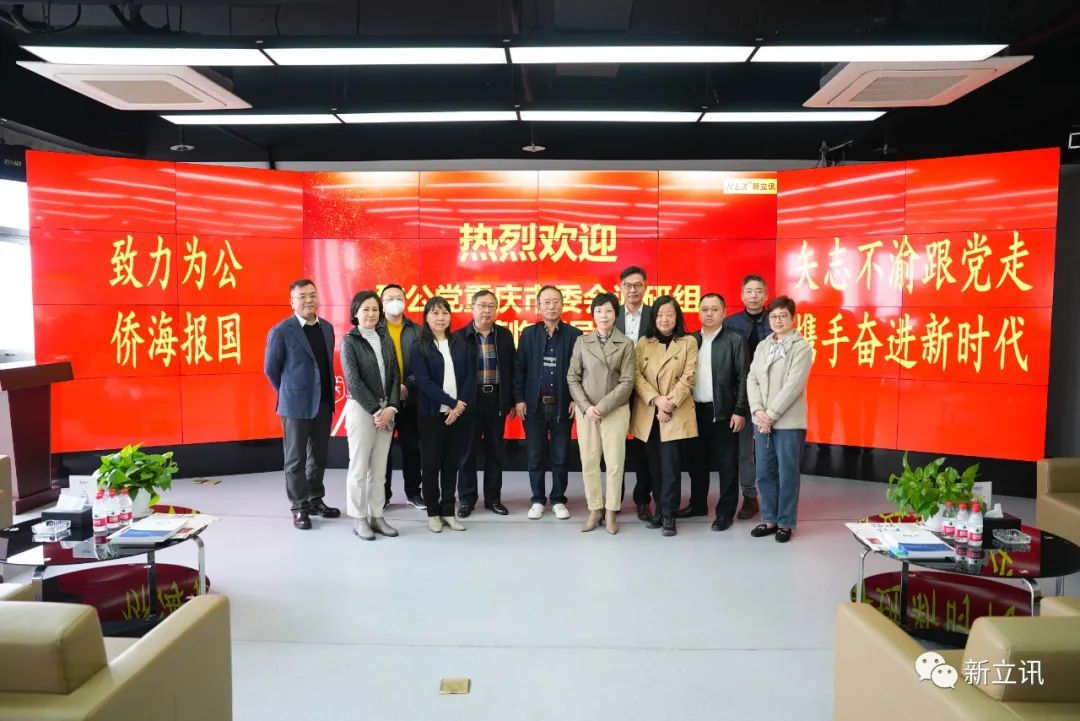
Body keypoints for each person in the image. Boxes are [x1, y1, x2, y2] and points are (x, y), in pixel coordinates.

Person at [264, 279, 341, 530]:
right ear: (292, 302)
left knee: (319, 456)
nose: (308, 300)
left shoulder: (326, 328)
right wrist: (289, 392)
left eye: (312, 295)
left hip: (324, 402)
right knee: (295, 459)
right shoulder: (281, 331)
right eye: (302, 296)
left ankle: (315, 499)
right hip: (295, 405)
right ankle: (299, 507)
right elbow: (271, 369)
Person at [679, 293, 749, 531]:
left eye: (714, 309)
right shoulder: (690, 340)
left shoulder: (734, 340)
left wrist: (740, 410)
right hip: (694, 411)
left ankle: (725, 511)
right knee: (696, 462)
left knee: (727, 464)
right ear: (698, 312)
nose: (709, 314)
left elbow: (743, 377)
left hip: (724, 412)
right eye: (705, 309)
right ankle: (698, 504)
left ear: (724, 313)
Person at [567, 292, 635, 534]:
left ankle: (611, 511)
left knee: (615, 462)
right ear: (593, 315)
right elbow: (572, 377)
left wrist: (603, 407)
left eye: (608, 311)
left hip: (615, 410)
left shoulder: (626, 344)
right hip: (587, 412)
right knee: (589, 460)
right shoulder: (582, 342)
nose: (603, 315)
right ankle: (595, 509)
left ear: (615, 314)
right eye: (598, 311)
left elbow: (627, 381)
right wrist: (587, 407)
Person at [629, 295, 698, 537]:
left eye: (669, 314)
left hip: (674, 413)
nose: (664, 319)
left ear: (677, 317)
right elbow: (636, 376)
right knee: (654, 467)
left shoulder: (688, 342)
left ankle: (669, 514)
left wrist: (668, 404)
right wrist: (656, 400)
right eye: (659, 315)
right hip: (649, 413)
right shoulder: (643, 343)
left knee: (671, 467)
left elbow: (689, 376)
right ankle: (658, 510)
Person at [746, 295, 812, 544]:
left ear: (793, 318)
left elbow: (793, 386)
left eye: (783, 316)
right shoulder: (763, 346)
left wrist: (770, 415)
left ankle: (785, 522)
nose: (778, 320)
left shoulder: (801, 347)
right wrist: (757, 411)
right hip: (762, 420)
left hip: (788, 423)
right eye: (773, 316)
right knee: (764, 472)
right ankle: (769, 519)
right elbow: (752, 378)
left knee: (787, 474)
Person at [513, 285, 582, 520]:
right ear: (538, 306)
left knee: (561, 456)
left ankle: (559, 499)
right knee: (535, 455)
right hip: (535, 407)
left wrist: (576, 399)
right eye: (547, 302)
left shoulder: (575, 335)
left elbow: (581, 371)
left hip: (562, 406)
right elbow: (519, 369)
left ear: (562, 305)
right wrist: (519, 399)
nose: (551, 306)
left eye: (555, 301)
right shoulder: (528, 334)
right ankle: (538, 499)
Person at [410, 297, 475, 533]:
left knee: (451, 464)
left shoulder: (460, 343)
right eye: (435, 313)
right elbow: (424, 382)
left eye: (444, 313)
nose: (440, 318)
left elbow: (470, 376)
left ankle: (448, 511)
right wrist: (452, 403)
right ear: (426, 317)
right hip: (431, 415)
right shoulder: (419, 346)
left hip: (457, 416)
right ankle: (433, 513)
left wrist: (459, 407)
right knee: (431, 465)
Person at [340, 291, 400, 540]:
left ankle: (377, 515)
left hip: (387, 411)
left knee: (379, 469)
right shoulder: (349, 341)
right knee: (359, 468)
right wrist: (377, 410)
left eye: (375, 309)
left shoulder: (385, 337)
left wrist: (391, 407)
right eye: (366, 309)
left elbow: (395, 375)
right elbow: (353, 381)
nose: (371, 314)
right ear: (355, 312)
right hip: (363, 410)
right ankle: (359, 517)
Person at [455, 289, 516, 517]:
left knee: (495, 452)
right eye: (482, 305)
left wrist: (511, 400)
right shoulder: (459, 337)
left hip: (496, 399)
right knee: (466, 453)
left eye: (491, 306)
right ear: (472, 308)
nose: (486, 311)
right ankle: (466, 499)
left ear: (496, 309)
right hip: (469, 401)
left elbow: (512, 369)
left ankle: (493, 499)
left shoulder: (504, 335)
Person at [722, 274, 771, 520]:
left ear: (766, 295)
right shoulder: (730, 324)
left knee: (769, 451)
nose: (754, 296)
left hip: (770, 398)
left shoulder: (776, 321)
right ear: (742, 296)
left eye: (758, 291)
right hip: (741, 397)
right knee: (744, 451)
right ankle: (749, 496)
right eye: (749, 291)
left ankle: (772, 498)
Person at [615, 265, 655, 521]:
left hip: (646, 390)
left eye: (638, 285)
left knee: (643, 447)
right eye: (628, 285)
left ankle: (643, 500)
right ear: (621, 287)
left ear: (645, 287)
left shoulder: (654, 315)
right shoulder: (611, 314)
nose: (633, 290)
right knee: (614, 446)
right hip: (616, 390)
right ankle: (614, 499)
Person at [379, 284, 424, 511]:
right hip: (383, 401)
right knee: (382, 450)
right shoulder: (374, 329)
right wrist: (394, 390)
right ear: (381, 303)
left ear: (406, 301)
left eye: (399, 297)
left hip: (411, 399)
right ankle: (382, 495)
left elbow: (424, 364)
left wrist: (408, 385)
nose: (394, 302)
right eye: (389, 298)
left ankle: (414, 493)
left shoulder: (417, 331)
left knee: (412, 447)